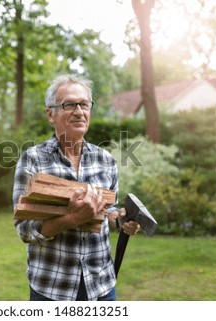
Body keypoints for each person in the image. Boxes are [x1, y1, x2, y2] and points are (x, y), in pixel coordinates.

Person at [12, 74, 140, 301]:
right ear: (51, 114)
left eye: (84, 104)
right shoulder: (32, 160)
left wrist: (121, 220)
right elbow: (24, 229)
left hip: (101, 287)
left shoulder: (106, 161)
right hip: (52, 290)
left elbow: (108, 214)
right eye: (69, 104)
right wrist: (71, 219)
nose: (79, 111)